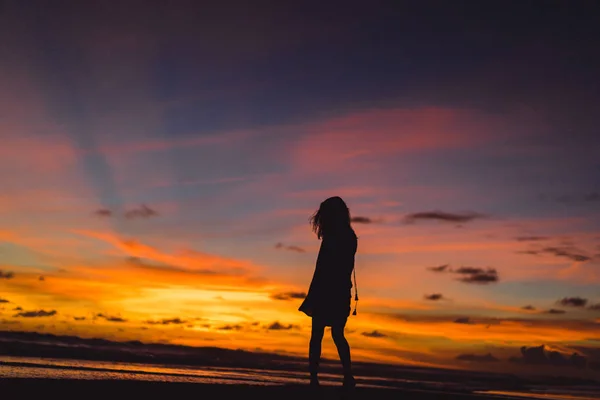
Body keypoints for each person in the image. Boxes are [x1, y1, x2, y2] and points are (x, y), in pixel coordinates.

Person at [299, 196, 358, 390]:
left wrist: (314, 293)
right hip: (339, 290)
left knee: (318, 335)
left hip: (328, 290)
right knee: (337, 334)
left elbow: (323, 267)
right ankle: (346, 376)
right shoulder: (348, 236)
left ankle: (315, 379)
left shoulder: (336, 237)